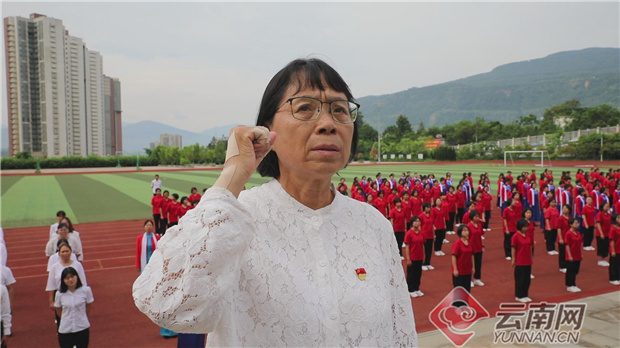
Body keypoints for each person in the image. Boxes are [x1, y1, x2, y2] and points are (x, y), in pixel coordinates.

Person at [133, 58, 417, 346]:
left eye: (340, 110)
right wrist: (233, 174)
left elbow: (401, 332)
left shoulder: (373, 225)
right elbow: (165, 305)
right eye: (305, 108)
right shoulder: (234, 221)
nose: (328, 124)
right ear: (268, 128)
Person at [54, 267, 93, 348]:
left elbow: (88, 307)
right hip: (65, 328)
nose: (70, 280)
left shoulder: (86, 290)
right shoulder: (59, 294)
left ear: (77, 277)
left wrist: (81, 316)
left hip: (82, 327)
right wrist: (67, 318)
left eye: (72, 276)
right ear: (63, 280)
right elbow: (58, 311)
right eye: (67, 278)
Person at [512, 219, 533, 302]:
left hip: (528, 260)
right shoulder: (515, 236)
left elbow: (530, 246)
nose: (526, 228)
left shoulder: (528, 236)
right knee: (520, 279)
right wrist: (514, 259)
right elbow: (513, 248)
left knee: (527, 279)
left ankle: (525, 294)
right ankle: (519, 295)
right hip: (520, 260)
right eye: (524, 227)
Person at [404, 216, 425, 297]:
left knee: (418, 273)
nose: (417, 223)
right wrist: (408, 258)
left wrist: (423, 256)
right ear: (412, 223)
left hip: (419, 257)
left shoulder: (421, 233)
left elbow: (422, 245)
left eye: (418, 221)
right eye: (415, 221)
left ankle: (417, 288)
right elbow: (407, 247)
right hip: (412, 257)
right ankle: (410, 289)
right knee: (411, 274)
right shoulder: (409, 233)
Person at [451, 224, 474, 293]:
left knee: (467, 290)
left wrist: (473, 267)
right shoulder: (457, 243)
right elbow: (454, 256)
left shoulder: (469, 243)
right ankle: (457, 304)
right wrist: (455, 269)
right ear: (460, 232)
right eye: (464, 230)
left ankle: (465, 304)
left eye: (467, 230)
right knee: (459, 291)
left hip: (467, 270)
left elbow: (472, 255)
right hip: (460, 270)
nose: (466, 232)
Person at [565, 218, 583, 292]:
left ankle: (573, 283)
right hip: (571, 254)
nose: (577, 224)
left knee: (576, 270)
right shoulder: (568, 233)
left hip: (577, 254)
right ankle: (570, 285)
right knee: (570, 270)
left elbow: (580, 244)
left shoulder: (578, 233)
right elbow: (567, 245)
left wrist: (581, 254)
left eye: (577, 223)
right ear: (571, 224)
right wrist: (569, 255)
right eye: (575, 223)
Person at [467, 210, 485, 287]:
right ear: (472, 217)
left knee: (478, 263)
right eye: (476, 217)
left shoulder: (479, 225)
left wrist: (482, 246)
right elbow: (467, 238)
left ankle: (477, 279)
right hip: (471, 247)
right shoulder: (468, 226)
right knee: (470, 264)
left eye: (478, 216)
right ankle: (469, 280)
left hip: (478, 247)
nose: (477, 218)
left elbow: (480, 236)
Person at [596, 202, 612, 267]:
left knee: (606, 246)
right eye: (606, 206)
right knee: (602, 246)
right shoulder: (600, 214)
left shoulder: (608, 214)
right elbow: (598, 223)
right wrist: (601, 233)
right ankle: (601, 259)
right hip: (601, 233)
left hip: (608, 233)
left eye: (608, 206)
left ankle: (604, 258)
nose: (607, 208)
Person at [609, 214, 620, 285]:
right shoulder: (613, 229)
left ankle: (618, 277)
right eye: (619, 218)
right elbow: (612, 240)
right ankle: (613, 278)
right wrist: (613, 250)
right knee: (614, 264)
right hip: (615, 249)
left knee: (618, 264)